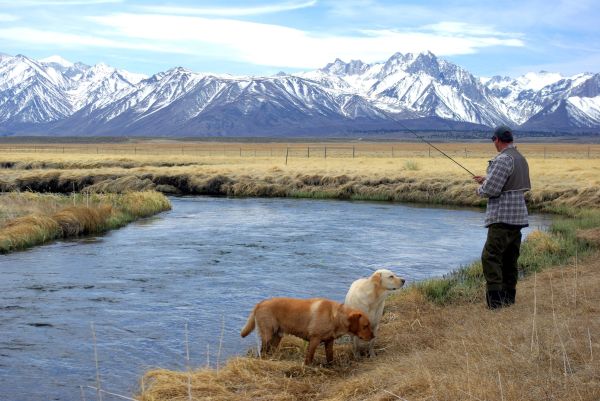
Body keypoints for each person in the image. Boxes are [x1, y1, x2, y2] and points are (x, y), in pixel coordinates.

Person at [473, 125, 531, 309]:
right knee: (509, 259)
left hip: (502, 217)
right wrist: (487, 178)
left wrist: (480, 188)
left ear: (497, 139)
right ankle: (509, 298)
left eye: (493, 140)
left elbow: (492, 190)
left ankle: (495, 302)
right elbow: (510, 181)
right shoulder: (520, 158)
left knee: (490, 257)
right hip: (518, 217)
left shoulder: (503, 159)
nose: (494, 144)